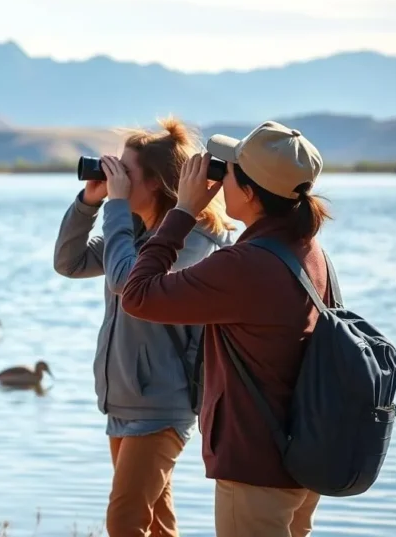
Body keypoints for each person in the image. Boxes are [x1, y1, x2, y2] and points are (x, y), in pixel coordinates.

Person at [120, 121, 332, 537]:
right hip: (303, 457)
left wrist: (182, 211)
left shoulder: (243, 265)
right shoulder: (308, 250)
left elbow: (137, 295)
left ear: (250, 192)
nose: (218, 176)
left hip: (257, 467)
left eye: (228, 169)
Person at [53, 117, 234, 536]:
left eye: (125, 172)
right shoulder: (136, 234)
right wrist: (89, 202)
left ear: (155, 183)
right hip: (125, 400)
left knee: (124, 523)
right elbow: (69, 262)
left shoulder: (193, 242)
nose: (116, 178)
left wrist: (115, 207)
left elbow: (127, 283)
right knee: (155, 523)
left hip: (161, 406)